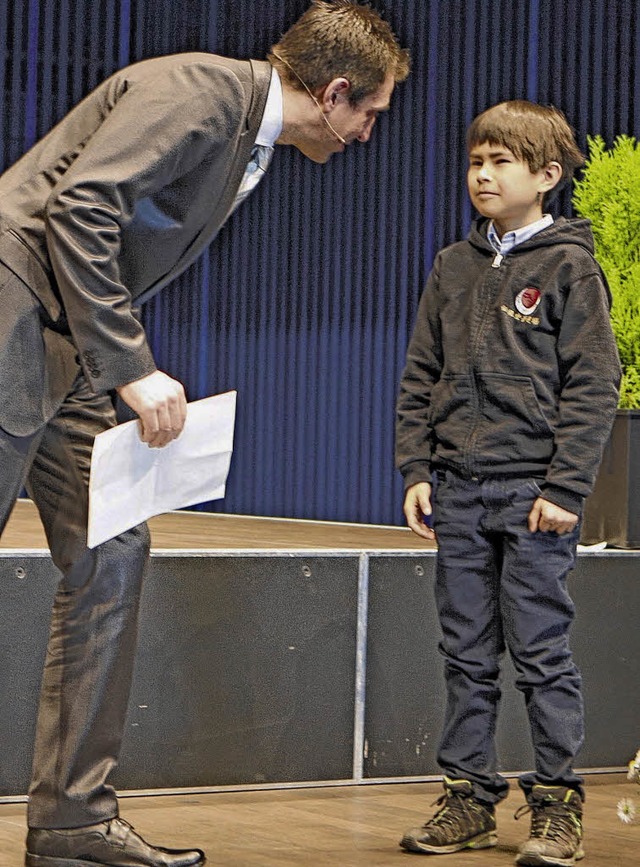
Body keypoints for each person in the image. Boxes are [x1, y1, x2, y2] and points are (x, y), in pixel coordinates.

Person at [0, 2, 409, 865]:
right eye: (369, 112)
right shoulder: (199, 91)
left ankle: (72, 820)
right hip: (13, 311)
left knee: (112, 547)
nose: (369, 134)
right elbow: (79, 208)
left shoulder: (242, 130)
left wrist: (106, 357)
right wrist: (133, 365)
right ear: (335, 93)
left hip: (64, 340)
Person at [395, 100, 620, 866]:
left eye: (501, 162)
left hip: (533, 500)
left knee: (540, 651)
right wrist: (416, 468)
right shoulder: (453, 267)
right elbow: (420, 373)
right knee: (465, 651)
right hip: (457, 491)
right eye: (475, 161)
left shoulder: (568, 267)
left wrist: (565, 485)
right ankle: (469, 797)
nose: (483, 175)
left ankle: (557, 803)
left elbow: (594, 384)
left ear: (547, 176)